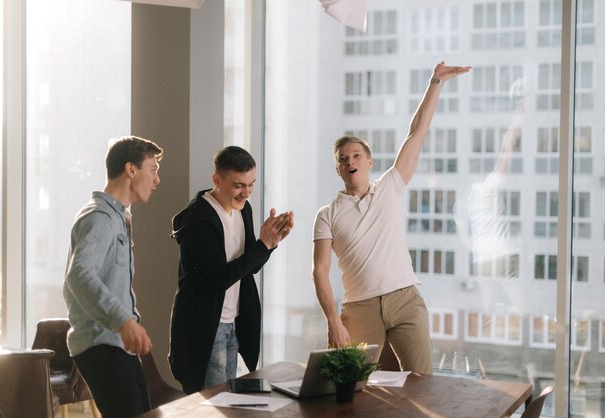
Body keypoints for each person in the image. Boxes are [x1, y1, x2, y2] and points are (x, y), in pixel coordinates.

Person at [312, 61, 470, 374]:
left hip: (405, 301)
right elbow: (319, 270)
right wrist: (332, 321)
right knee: (351, 386)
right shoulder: (327, 214)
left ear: (369, 162)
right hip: (359, 309)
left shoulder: (390, 186)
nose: (350, 161)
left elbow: (417, 132)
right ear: (338, 169)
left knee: (420, 385)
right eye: (343, 159)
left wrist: (435, 83)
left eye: (357, 155)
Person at [169, 145, 294, 394]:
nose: (246, 193)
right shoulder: (199, 219)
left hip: (232, 323)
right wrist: (262, 244)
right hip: (206, 326)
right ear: (217, 179)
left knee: (227, 400)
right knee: (215, 404)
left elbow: (250, 267)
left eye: (251, 184)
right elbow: (220, 278)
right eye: (239, 185)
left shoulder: (242, 209)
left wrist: (271, 243)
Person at [63, 136, 163, 418]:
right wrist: (123, 320)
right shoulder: (99, 217)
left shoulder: (117, 217)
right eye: (153, 170)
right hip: (101, 345)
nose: (157, 180)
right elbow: (79, 274)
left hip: (115, 345)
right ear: (131, 169)